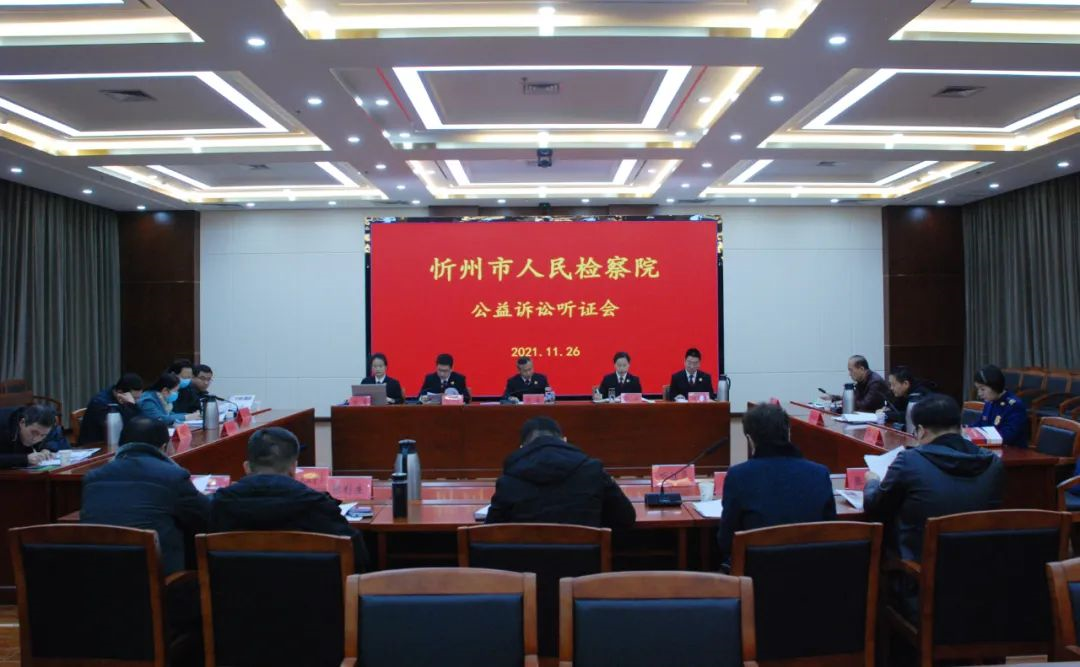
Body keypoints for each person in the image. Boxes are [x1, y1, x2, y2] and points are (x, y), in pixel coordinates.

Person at [864, 394, 1004, 561]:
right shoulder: (992, 462)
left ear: (921, 431)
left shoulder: (910, 460)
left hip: (922, 562)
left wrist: (872, 482)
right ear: (960, 427)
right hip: (979, 559)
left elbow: (876, 507)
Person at [208, 427, 368, 571]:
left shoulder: (220, 504)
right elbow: (356, 555)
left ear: (247, 467)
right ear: (293, 468)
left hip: (235, 594)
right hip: (311, 594)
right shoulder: (316, 505)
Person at [80, 416, 210, 574]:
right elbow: (206, 515)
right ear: (164, 447)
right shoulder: (172, 476)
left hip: (98, 574)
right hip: (156, 577)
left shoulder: (93, 477)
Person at [717, 403, 836, 566]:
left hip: (757, 575)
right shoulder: (820, 473)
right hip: (812, 571)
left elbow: (726, 541)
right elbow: (831, 532)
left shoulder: (738, 476)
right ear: (788, 433)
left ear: (750, 439)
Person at [486, 416, 635, 528]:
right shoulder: (593, 471)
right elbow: (625, 518)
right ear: (564, 440)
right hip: (583, 560)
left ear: (522, 447)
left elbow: (490, 531)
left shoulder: (509, 480)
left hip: (523, 561)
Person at [79, 372, 144, 445]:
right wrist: (131, 405)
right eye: (134, 398)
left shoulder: (124, 399)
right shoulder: (100, 403)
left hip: (116, 443)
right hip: (96, 445)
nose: (136, 401)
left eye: (138, 398)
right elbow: (124, 427)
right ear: (120, 393)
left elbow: (141, 423)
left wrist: (133, 406)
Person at [973, 364, 1029, 448]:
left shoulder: (1014, 406)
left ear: (995, 386)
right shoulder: (990, 402)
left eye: (982, 389)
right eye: (978, 389)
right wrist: (964, 430)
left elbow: (1007, 436)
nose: (979, 394)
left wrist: (978, 435)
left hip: (1011, 451)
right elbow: (981, 424)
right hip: (991, 449)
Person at [0, 404, 68, 468]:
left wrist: (47, 449)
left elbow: (58, 439)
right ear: (22, 422)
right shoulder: (3, 423)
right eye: (34, 433)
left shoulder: (47, 426)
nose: (36, 439)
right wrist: (25, 459)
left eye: (43, 435)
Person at [822, 355, 889, 412]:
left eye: (851, 370)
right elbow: (855, 399)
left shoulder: (875, 382)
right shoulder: (861, 381)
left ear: (861, 369)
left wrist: (845, 402)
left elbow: (864, 406)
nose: (849, 374)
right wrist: (833, 398)